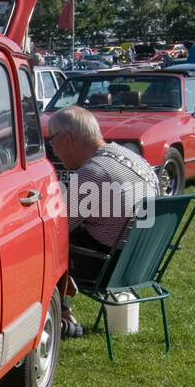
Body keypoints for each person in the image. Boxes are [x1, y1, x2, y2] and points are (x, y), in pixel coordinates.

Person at [46, 105, 160, 337]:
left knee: (48, 245)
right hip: (143, 261)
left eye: (52, 141)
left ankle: (60, 317)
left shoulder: (93, 172)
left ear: (67, 139)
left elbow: (58, 230)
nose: (53, 150)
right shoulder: (135, 159)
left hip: (108, 266)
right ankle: (64, 315)